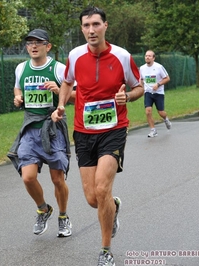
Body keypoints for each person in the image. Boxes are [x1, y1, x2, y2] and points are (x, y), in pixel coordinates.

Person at [51, 7, 144, 266]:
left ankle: (105, 250)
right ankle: (112, 207)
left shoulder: (122, 56)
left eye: (95, 24)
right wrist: (61, 104)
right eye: (86, 26)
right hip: (83, 131)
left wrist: (128, 96)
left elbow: (139, 87)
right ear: (82, 28)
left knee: (102, 188)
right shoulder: (75, 55)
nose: (90, 30)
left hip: (114, 129)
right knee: (94, 199)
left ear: (105, 26)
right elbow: (68, 83)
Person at [7, 29, 74, 238]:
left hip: (53, 129)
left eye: (38, 42)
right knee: (27, 177)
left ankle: (63, 217)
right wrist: (18, 98)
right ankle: (43, 209)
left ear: (48, 46)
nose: (33, 46)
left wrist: (58, 92)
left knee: (57, 179)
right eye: (29, 43)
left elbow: (78, 94)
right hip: (30, 128)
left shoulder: (59, 69)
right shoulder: (21, 68)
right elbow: (17, 89)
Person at [139, 50, 171, 137]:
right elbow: (141, 79)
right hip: (148, 92)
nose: (147, 57)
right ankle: (153, 130)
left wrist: (158, 84)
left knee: (161, 112)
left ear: (153, 58)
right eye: (146, 56)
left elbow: (167, 78)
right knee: (148, 111)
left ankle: (166, 119)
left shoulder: (159, 67)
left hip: (158, 93)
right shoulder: (142, 68)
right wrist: (140, 88)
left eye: (149, 56)